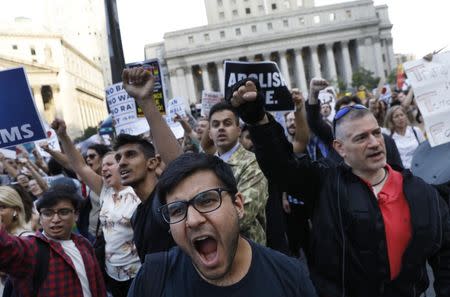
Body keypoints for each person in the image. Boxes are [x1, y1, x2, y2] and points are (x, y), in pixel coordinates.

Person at [228, 78, 450, 297]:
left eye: (375, 133)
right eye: (361, 137)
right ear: (340, 148)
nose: (374, 143)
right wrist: (258, 121)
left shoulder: (420, 192)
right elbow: (282, 167)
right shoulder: (325, 184)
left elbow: (444, 256)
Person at [128, 153, 317, 297]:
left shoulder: (290, 278)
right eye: (177, 210)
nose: (192, 220)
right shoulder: (152, 279)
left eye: (206, 201)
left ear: (238, 205)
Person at [52, 118, 141, 297]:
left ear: (122, 165)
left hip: (138, 274)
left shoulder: (139, 192)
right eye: (103, 165)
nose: (104, 168)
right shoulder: (105, 191)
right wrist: (63, 136)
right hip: (110, 274)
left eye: (110, 164)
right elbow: (80, 166)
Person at [0, 184, 107, 296]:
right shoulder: (32, 247)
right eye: (48, 213)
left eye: (63, 212)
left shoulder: (84, 245)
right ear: (40, 218)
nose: (55, 219)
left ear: (76, 215)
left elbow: (99, 286)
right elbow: (6, 248)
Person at [208, 102, 268, 245]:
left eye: (227, 123)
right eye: (216, 125)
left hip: (248, 251)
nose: (221, 128)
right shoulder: (206, 165)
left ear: (238, 129)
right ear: (209, 133)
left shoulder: (253, 163)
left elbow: (243, 215)